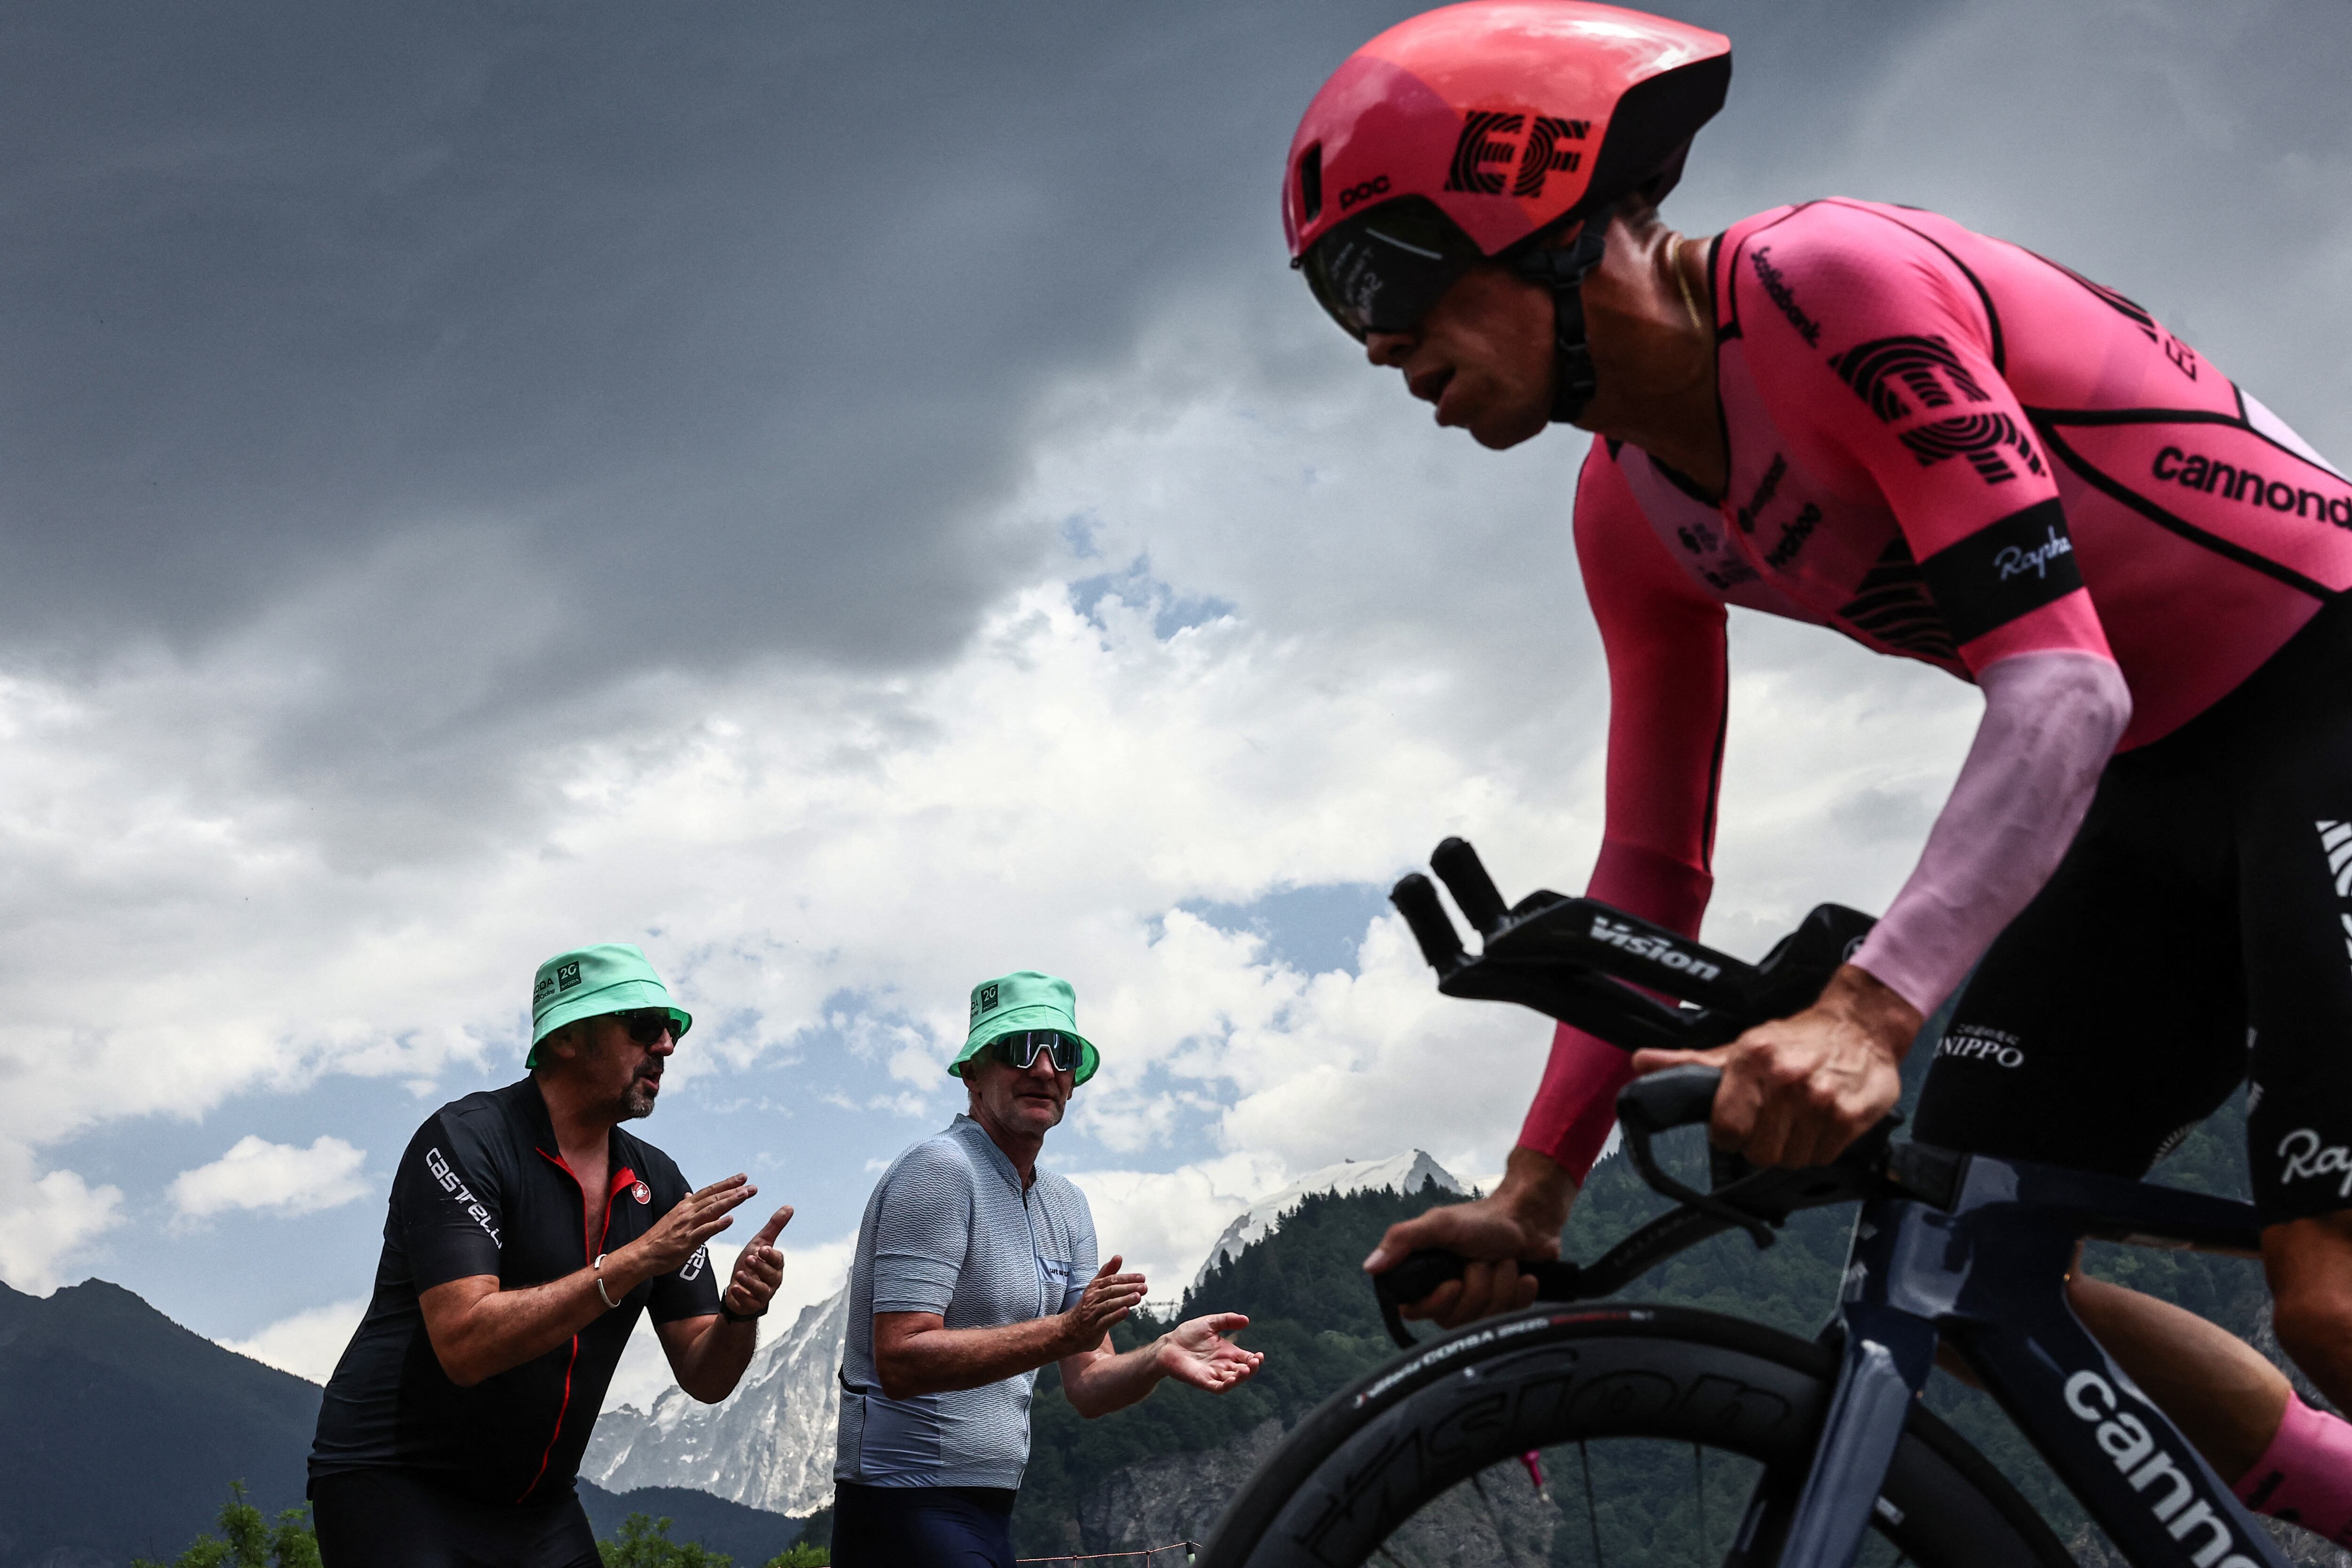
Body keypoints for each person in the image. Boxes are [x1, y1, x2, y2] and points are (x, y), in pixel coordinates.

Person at [1284, 0, 2352, 1544]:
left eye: (1382, 281)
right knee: (1973, 1260)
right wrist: (1535, 1191)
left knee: (2327, 1292)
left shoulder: (1830, 283)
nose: (1378, 345)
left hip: (2323, 684)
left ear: (1541, 211)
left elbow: (2061, 681)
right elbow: (1653, 867)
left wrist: (1866, 1012)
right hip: (2151, 782)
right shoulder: (1626, 511)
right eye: (1341, 314)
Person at [307, 943, 795, 1568]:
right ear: (566, 1037)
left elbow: (706, 1376)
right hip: (394, 1482)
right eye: (644, 1025)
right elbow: (464, 1344)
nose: (667, 1045)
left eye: (672, 1028)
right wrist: (635, 1259)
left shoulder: (657, 1182)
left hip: (536, 1505)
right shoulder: (464, 1140)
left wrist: (741, 1311)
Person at [831, 970, 1264, 1568]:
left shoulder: (1066, 1204)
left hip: (989, 1510)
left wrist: (1160, 1353)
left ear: (1074, 1079)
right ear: (971, 1072)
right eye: (1019, 1047)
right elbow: (900, 1359)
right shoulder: (938, 1171)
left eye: (1062, 1052)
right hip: (897, 1504)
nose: (1043, 1068)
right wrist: (1064, 1330)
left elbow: (1087, 1383)